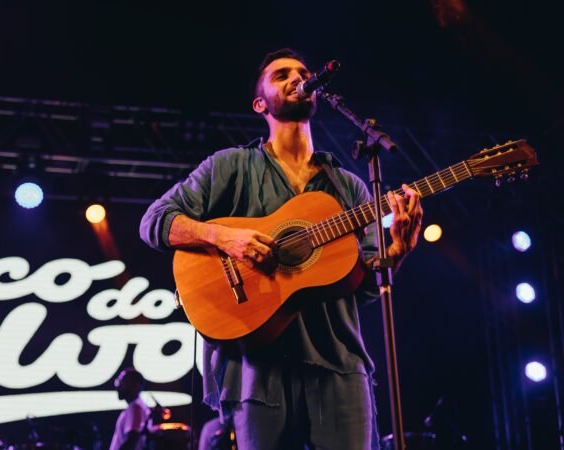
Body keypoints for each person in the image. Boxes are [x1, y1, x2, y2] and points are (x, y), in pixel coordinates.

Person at [139, 48, 423, 449]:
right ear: (260, 104)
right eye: (281, 74)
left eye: (303, 72)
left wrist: (397, 252)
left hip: (338, 363)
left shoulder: (350, 187)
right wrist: (225, 237)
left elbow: (365, 284)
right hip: (256, 368)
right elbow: (155, 220)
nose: (297, 77)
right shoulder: (230, 166)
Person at [109, 368, 151, 450]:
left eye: (122, 382)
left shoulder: (135, 407)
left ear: (136, 386)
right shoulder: (137, 406)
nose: (118, 386)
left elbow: (131, 440)